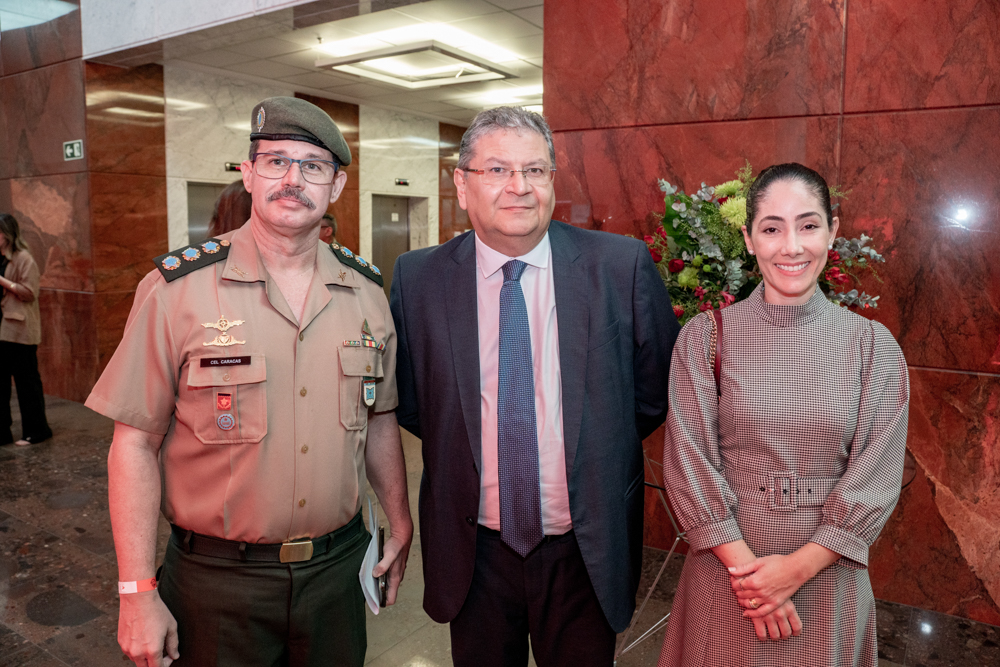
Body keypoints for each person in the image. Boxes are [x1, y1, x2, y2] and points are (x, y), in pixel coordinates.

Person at [86, 96, 413, 667]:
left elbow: (380, 419)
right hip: (217, 583)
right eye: (276, 161)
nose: (293, 179)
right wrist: (136, 592)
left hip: (336, 575)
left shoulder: (366, 294)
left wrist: (400, 519)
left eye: (313, 166)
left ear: (336, 186)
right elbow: (133, 444)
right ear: (248, 173)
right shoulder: (175, 291)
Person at [389, 106, 679, 666]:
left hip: (584, 549)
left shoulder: (618, 267)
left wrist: (590, 445)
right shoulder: (419, 278)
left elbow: (652, 395)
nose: (519, 187)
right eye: (497, 170)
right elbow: (418, 404)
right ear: (462, 184)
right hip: (474, 552)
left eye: (535, 170)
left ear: (552, 180)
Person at [658, 163, 909, 666]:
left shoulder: (872, 347)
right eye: (772, 229)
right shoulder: (705, 338)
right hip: (728, 571)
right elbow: (688, 464)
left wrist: (794, 571)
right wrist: (754, 580)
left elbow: (876, 476)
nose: (791, 247)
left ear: (832, 232)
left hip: (827, 572)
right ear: (748, 239)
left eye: (808, 225)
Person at [0, 213, 53, 447]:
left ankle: (37, 431)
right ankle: (2, 432)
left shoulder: (24, 259)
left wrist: (3, 281)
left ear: (7, 234)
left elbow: (30, 293)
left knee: (26, 383)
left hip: (19, 330)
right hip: (0, 328)